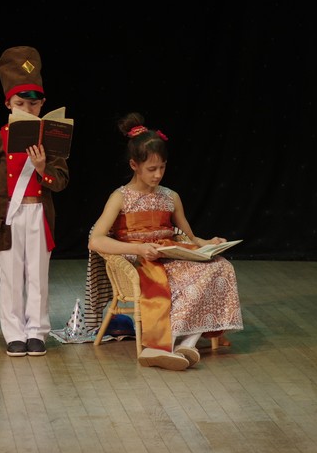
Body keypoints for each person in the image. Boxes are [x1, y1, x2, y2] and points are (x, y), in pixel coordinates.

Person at [88, 112, 243, 370]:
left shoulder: (171, 197)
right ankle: (161, 346)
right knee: (182, 281)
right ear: (134, 165)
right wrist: (138, 248)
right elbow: (96, 240)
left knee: (220, 267)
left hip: (170, 254)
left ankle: (188, 344)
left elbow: (190, 237)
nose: (158, 174)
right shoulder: (121, 197)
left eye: (162, 167)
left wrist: (210, 243)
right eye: (151, 169)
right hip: (139, 259)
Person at [0, 46, 69, 357]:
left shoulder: (52, 137)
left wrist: (43, 170)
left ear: (43, 104)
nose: (28, 110)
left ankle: (37, 332)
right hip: (10, 214)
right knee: (12, 276)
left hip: (39, 214)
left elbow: (61, 181)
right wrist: (5, 196)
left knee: (38, 276)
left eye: (33, 104)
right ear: (8, 104)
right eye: (20, 104)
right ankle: (14, 332)